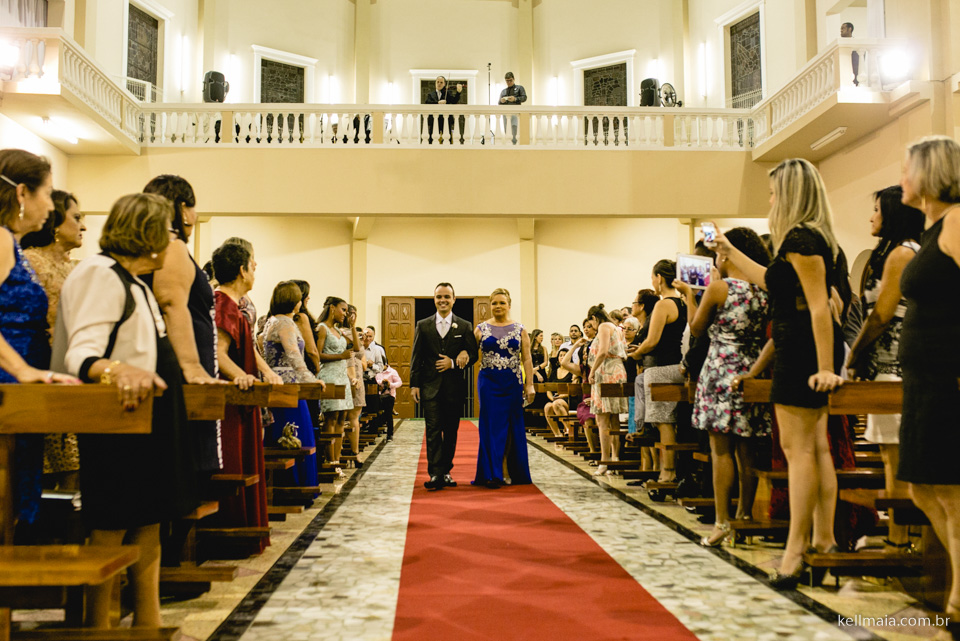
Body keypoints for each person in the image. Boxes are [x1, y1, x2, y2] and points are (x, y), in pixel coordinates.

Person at [53, 193, 195, 629]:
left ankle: (147, 625)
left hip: (149, 422)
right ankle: (100, 628)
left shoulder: (133, 280)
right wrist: (118, 370)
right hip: (119, 424)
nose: (174, 242)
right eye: (170, 232)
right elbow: (82, 355)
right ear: (148, 234)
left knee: (150, 523)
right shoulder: (100, 275)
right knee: (113, 525)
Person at [713, 158, 845, 589]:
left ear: (789, 194)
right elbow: (773, 281)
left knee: (800, 451)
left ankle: (795, 551)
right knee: (816, 450)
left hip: (802, 354)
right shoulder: (808, 239)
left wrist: (826, 368)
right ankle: (823, 541)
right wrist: (731, 254)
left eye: (772, 193)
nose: (769, 200)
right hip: (802, 349)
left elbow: (821, 306)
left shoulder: (802, 238)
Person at [896, 135, 960, 635]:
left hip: (948, 372)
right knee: (921, 486)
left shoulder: (958, 222)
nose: (902, 178)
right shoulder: (934, 226)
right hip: (924, 376)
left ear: (932, 172)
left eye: (908, 168)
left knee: (951, 488)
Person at [677, 227, 772, 547]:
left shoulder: (720, 289)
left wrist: (691, 296)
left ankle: (722, 522)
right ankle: (744, 515)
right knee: (747, 450)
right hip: (751, 371)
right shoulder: (763, 290)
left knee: (721, 452)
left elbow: (698, 328)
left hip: (719, 371)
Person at [0, 150, 77, 531]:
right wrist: (23, 371)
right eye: (47, 193)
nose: (51, 205)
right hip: (10, 380)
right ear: (21, 194)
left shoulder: (10, 243)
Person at [846, 185, 924, 552]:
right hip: (895, 365)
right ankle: (906, 536)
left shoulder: (901, 254)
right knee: (895, 456)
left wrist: (854, 353)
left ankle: (899, 540)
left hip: (893, 366)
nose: (871, 216)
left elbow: (881, 313)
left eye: (876, 209)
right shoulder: (908, 251)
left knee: (896, 459)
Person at [142, 175, 224, 486]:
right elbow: (171, 304)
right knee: (187, 476)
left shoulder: (164, 246)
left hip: (186, 367)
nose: (195, 216)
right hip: (185, 372)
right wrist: (191, 367)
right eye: (192, 207)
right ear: (182, 208)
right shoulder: (173, 246)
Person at [212, 241, 281, 555]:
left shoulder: (235, 304)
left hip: (245, 397)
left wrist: (265, 371)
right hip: (230, 401)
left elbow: (248, 346)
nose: (256, 269)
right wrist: (239, 375)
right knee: (235, 460)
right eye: (253, 264)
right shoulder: (223, 304)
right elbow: (218, 353)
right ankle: (232, 533)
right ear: (241, 269)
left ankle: (247, 531)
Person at [21, 189, 86, 490]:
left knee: (75, 462)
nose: (83, 226)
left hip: (75, 368)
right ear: (56, 224)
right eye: (76, 218)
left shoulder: (78, 267)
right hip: (41, 363)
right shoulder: (30, 263)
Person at [410, 282, 478, 490]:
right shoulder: (423, 325)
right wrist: (414, 385)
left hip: (454, 388)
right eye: (439, 296)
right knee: (432, 431)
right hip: (430, 387)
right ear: (434, 299)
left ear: (454, 299)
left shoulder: (464, 326)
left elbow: (473, 354)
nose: (443, 300)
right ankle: (435, 474)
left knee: (451, 431)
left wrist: (459, 358)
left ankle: (446, 470)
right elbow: (416, 357)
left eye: (447, 297)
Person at [627, 260, 687, 484]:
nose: (652, 282)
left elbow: (652, 342)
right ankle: (671, 470)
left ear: (659, 278)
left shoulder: (663, 305)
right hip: (676, 366)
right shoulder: (683, 303)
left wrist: (636, 353)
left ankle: (668, 472)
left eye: (653, 278)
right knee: (671, 421)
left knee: (664, 422)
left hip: (661, 368)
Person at [261, 281, 323, 492]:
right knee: (297, 436)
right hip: (288, 387)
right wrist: (312, 380)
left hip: (273, 384)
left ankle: (278, 484)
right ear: (295, 303)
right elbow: (294, 356)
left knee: (277, 434)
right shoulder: (286, 324)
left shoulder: (270, 321)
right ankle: (296, 487)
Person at [473, 288, 534, 488]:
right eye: (494, 303)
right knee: (490, 426)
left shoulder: (520, 329)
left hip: (512, 382)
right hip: (488, 382)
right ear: (490, 306)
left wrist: (530, 385)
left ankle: (507, 468)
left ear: (509, 304)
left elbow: (526, 358)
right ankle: (492, 472)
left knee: (510, 427)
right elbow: (469, 353)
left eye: (501, 303)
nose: (498, 306)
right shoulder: (481, 329)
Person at [586, 304, 629, 477]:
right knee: (614, 420)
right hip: (617, 371)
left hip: (606, 372)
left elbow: (602, 352)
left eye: (591, 322)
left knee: (602, 420)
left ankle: (605, 462)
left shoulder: (604, 326)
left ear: (594, 318)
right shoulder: (616, 328)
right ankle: (615, 460)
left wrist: (592, 370)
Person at [316, 297, 355, 474]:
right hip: (329, 375)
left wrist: (352, 326)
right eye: (343, 309)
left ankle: (337, 460)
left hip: (342, 377)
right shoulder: (322, 328)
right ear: (332, 308)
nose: (345, 313)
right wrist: (341, 356)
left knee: (341, 418)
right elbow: (316, 355)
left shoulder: (339, 330)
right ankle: (330, 461)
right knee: (330, 418)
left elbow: (356, 347)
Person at [424, 76, 462, 144]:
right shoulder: (431, 94)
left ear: (444, 84)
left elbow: (454, 101)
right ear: (435, 83)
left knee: (447, 140)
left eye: (441, 82)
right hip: (434, 120)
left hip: (446, 120)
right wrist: (438, 103)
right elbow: (427, 103)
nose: (439, 84)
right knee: (432, 140)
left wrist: (458, 93)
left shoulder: (447, 93)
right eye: (437, 82)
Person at [498, 71, 527, 144]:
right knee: (507, 131)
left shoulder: (519, 88)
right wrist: (502, 101)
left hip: (515, 113)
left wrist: (515, 99)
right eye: (507, 81)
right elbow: (499, 103)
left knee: (515, 130)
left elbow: (524, 98)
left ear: (514, 79)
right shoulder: (504, 91)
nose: (509, 82)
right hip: (506, 114)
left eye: (510, 80)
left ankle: (515, 145)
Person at [375, 364, 402, 441]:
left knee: (388, 415)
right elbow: (377, 380)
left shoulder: (392, 372)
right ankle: (374, 430)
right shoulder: (377, 372)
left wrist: (390, 384)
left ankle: (390, 434)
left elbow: (399, 383)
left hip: (389, 395)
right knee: (377, 413)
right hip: (378, 396)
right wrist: (381, 383)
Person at [840, 22, 859, 86]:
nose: (841, 30)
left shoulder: (856, 43)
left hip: (854, 71)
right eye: (841, 29)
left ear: (849, 29)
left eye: (843, 28)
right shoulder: (840, 44)